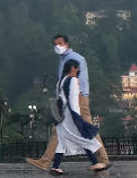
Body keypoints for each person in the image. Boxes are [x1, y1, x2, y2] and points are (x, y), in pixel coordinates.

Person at [26, 34, 110, 170]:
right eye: (55, 44)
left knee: (87, 129)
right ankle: (47, 161)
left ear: (67, 44)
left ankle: (102, 160)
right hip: (67, 101)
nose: (57, 46)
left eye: (60, 43)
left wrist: (79, 97)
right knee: (59, 130)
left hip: (77, 99)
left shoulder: (75, 59)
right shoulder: (63, 59)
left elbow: (80, 80)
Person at [50, 59, 109, 174]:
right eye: (77, 67)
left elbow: (60, 99)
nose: (78, 70)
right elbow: (73, 100)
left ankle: (55, 166)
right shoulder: (72, 80)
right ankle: (95, 162)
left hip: (62, 116)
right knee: (83, 137)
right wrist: (77, 116)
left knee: (62, 142)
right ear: (72, 68)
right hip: (70, 115)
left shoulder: (60, 82)